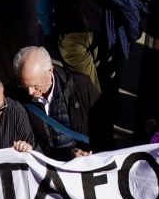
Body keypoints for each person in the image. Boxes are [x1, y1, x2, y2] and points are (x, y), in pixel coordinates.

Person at [9, 44, 97, 176]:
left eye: (35, 85)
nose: (30, 92)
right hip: (44, 170)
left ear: (50, 71)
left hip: (83, 165)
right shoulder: (16, 96)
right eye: (25, 85)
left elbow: (102, 129)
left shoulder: (80, 87)